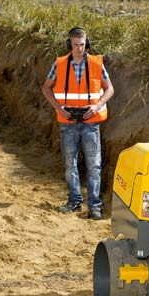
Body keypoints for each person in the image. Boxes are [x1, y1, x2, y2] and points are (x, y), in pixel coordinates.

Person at [42, 27, 114, 220]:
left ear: (86, 43)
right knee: (70, 164)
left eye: (82, 45)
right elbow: (46, 88)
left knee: (94, 166)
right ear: (69, 44)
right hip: (68, 122)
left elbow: (110, 89)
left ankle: (94, 206)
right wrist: (59, 108)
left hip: (91, 122)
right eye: (75, 45)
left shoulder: (97, 64)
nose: (79, 49)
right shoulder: (59, 64)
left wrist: (98, 105)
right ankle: (74, 202)